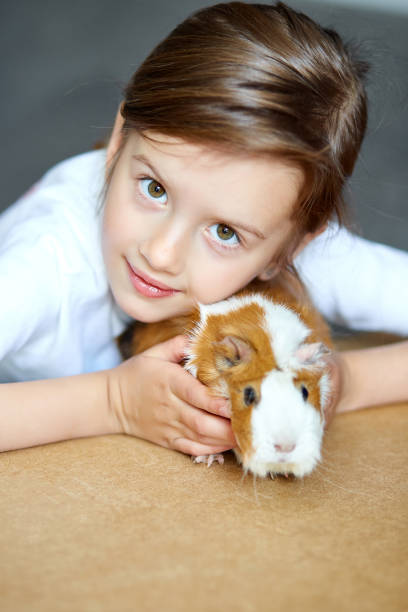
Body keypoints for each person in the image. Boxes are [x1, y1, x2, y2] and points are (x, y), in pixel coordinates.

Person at [1, 2, 407, 455]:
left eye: (225, 233)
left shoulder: (296, 244)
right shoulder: (45, 259)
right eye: (154, 188)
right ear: (119, 142)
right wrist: (112, 402)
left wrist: (347, 383)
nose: (161, 253)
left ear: (288, 250)